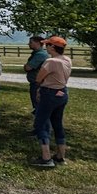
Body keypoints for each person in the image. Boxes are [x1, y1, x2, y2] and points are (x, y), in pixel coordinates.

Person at [30, 35, 72, 169]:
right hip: (62, 93)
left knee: (41, 124)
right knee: (57, 124)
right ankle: (60, 156)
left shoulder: (51, 61)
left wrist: (39, 89)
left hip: (49, 93)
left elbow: (39, 78)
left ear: (53, 47)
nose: (46, 47)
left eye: (47, 45)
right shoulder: (66, 59)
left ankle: (46, 158)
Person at [23, 35, 48, 114]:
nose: (29, 44)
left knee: (38, 106)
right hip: (35, 83)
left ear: (37, 43)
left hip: (37, 84)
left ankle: (41, 124)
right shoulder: (36, 53)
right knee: (37, 105)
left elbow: (28, 68)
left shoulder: (40, 55)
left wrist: (26, 66)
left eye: (31, 42)